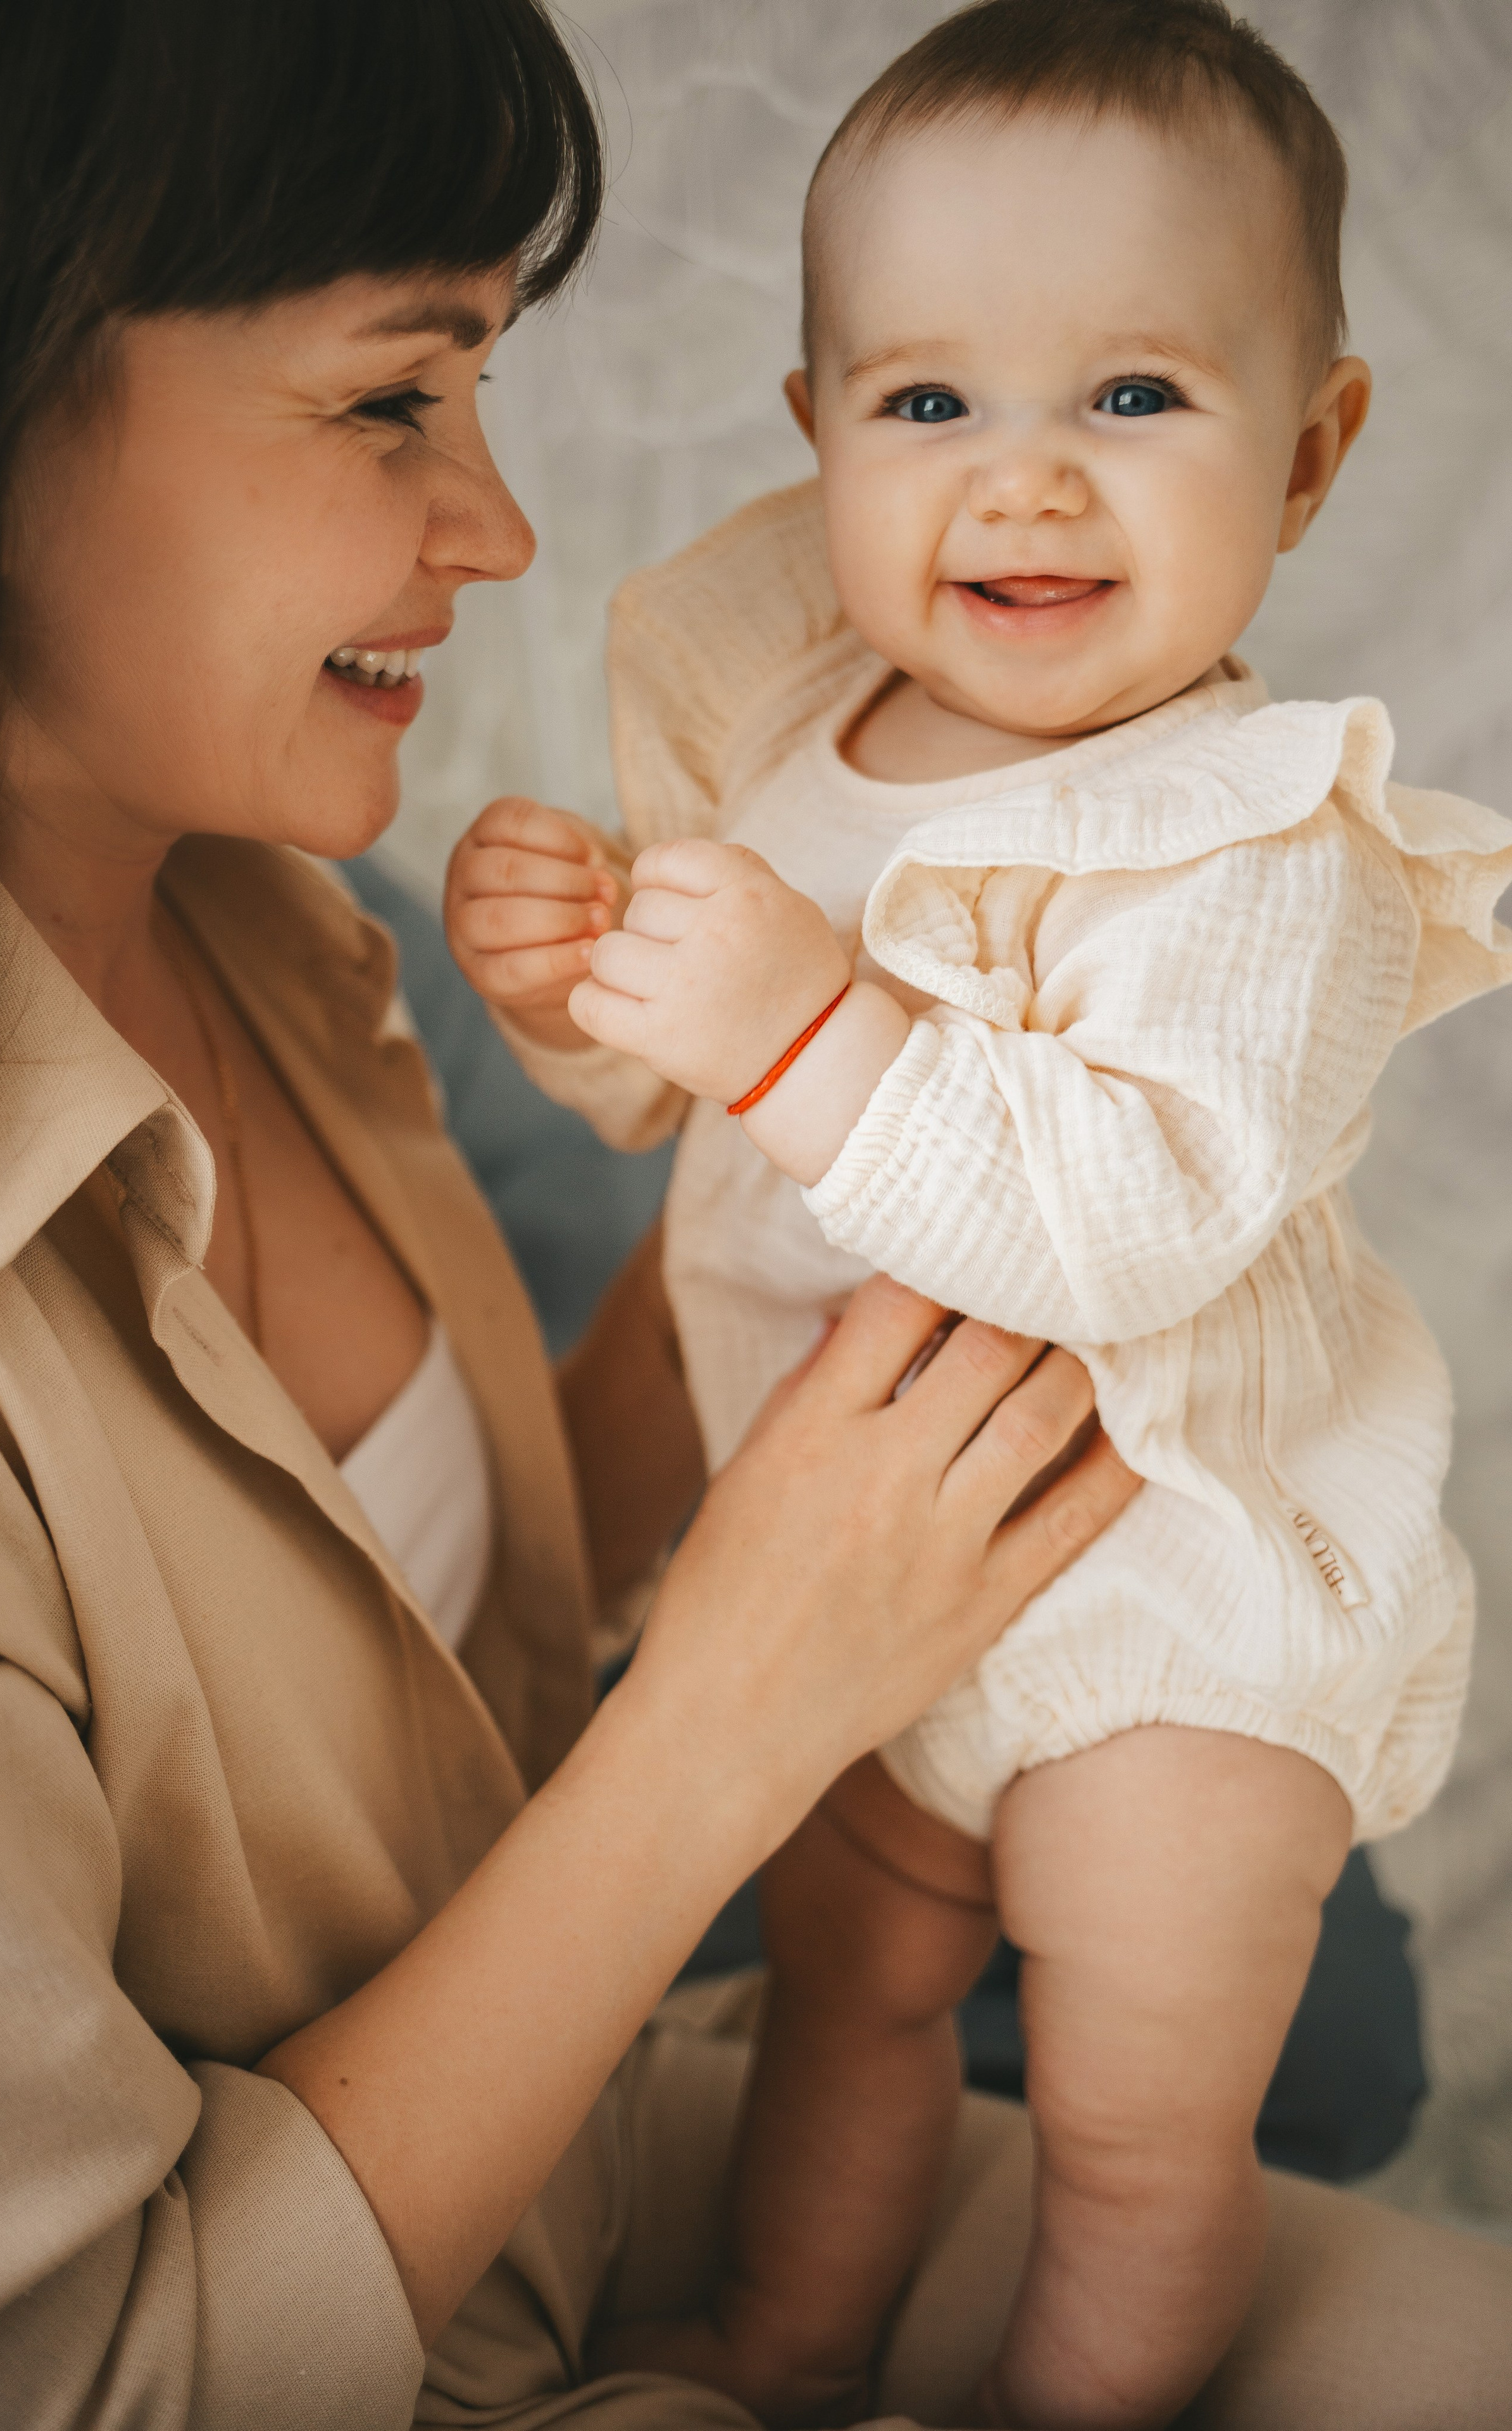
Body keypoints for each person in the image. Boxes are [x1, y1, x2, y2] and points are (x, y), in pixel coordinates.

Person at [0, 6, 1509, 2431]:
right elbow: (76, 2377)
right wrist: (748, 1691)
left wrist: (638, 1031)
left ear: (1314, 449)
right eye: (386, 400)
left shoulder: (269, 918)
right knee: (897, 2049)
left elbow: (475, 1596)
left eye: (1139, 402)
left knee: (1287, 2244)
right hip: (347, 2293)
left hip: (1077, 1702)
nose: (509, 527)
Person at [440, 3, 1512, 2425]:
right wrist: (567, 979)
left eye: (1132, 398)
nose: (1023, 484)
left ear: (1314, 448)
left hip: (1165, 1613)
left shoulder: (1258, 837)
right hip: (863, 1598)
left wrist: (814, 1030)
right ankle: (786, 2346)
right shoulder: (788, 732)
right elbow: (677, 1109)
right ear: (818, 432)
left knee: (1134, 2141)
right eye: (932, 404)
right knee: (851, 2004)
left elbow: (1135, 1219)